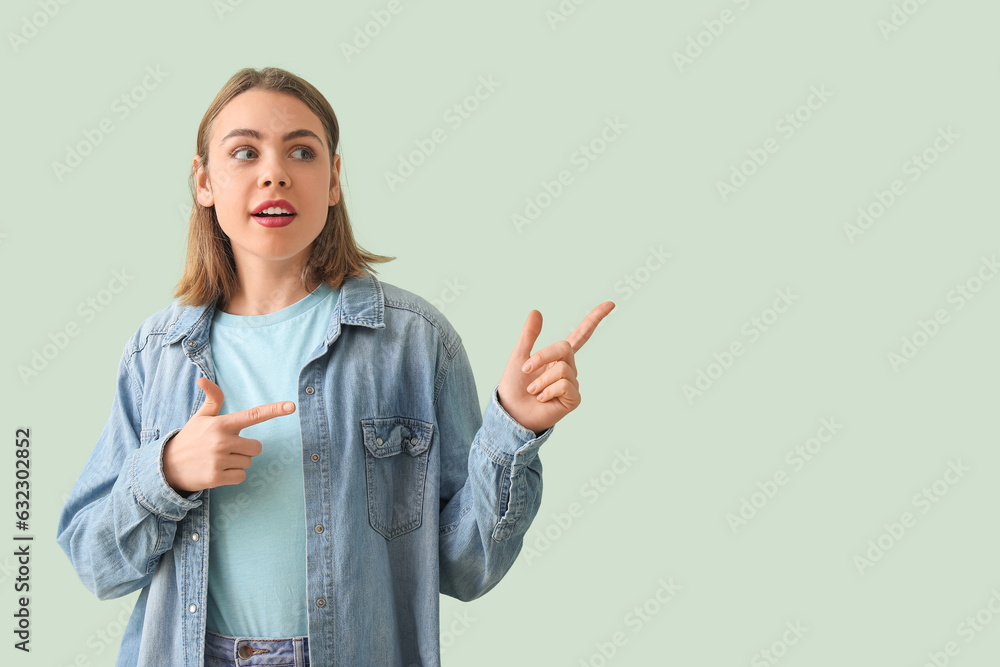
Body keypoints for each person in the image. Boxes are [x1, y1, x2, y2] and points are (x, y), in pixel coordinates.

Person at [56, 66, 613, 667]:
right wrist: (165, 473)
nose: (274, 173)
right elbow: (96, 564)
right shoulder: (156, 352)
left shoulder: (413, 343)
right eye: (244, 152)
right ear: (204, 181)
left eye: (302, 150)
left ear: (334, 179)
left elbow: (466, 567)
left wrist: (513, 430)